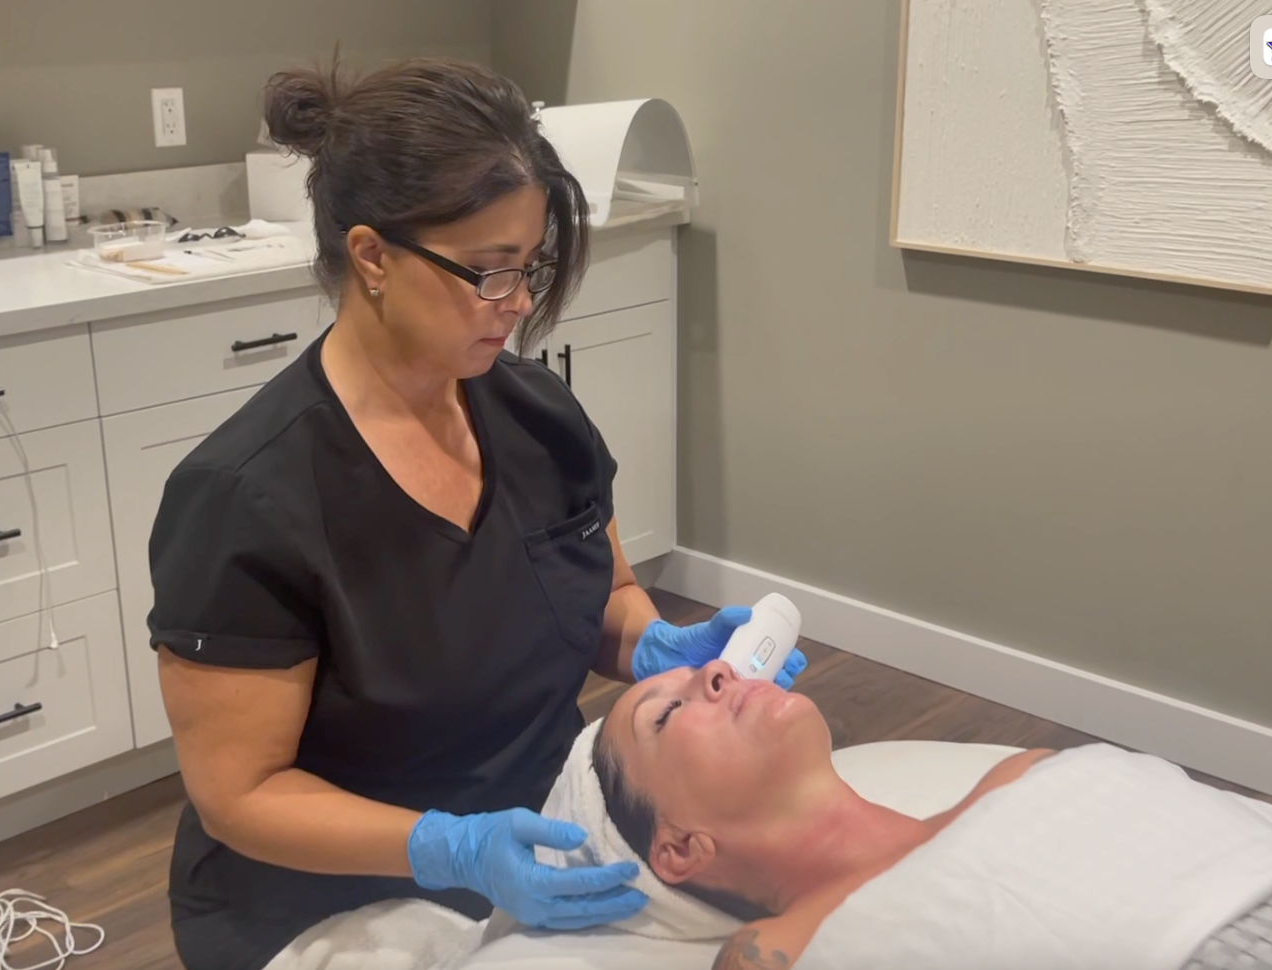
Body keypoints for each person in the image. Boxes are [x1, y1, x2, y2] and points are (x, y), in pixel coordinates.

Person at [144, 57, 808, 970]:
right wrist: (445, 847)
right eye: (490, 273)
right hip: (324, 900)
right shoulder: (246, 499)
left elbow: (600, 595)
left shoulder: (539, 415)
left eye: (529, 266)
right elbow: (242, 795)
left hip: (537, 840)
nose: (522, 303)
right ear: (373, 256)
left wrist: (656, 646)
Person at [593, 660, 1272, 970]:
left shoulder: (1022, 770)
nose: (715, 670)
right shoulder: (775, 953)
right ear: (679, 847)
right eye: (668, 711)